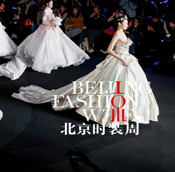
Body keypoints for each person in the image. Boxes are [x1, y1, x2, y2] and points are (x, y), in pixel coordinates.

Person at [12, 16, 159, 127]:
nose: (127, 24)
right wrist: (122, 59)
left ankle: (128, 111)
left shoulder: (123, 33)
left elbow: (124, 48)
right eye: (126, 22)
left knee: (128, 85)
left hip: (126, 60)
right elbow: (109, 50)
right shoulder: (117, 33)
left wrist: (131, 56)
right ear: (120, 23)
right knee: (110, 85)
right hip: (120, 61)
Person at [0, 0, 90, 80]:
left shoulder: (50, 10)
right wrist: (51, 23)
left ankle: (55, 59)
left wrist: (55, 21)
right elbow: (43, 22)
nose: (52, 4)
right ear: (47, 4)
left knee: (56, 43)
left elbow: (51, 19)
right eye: (50, 3)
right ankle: (44, 60)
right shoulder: (46, 11)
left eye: (52, 3)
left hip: (51, 29)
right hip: (46, 29)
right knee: (44, 44)